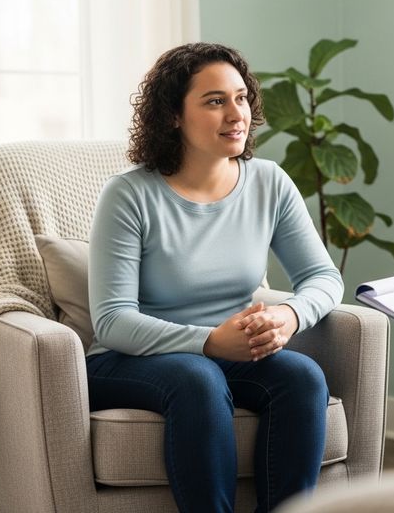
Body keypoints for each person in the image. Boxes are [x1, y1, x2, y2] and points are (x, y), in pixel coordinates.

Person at [85, 43, 344, 512]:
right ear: (172, 117)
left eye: (241, 98)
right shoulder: (129, 195)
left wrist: (289, 315)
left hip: (229, 351)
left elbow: (323, 276)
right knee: (197, 378)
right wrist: (209, 341)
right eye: (214, 101)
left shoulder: (268, 182)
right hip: (128, 359)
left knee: (303, 376)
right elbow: (112, 321)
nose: (236, 113)